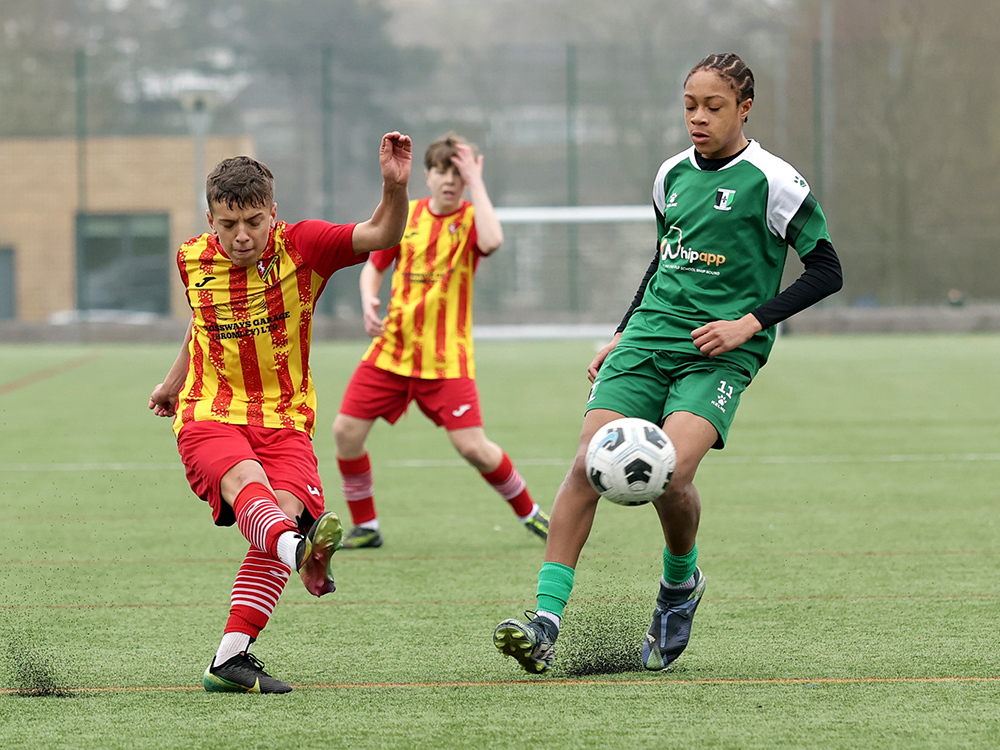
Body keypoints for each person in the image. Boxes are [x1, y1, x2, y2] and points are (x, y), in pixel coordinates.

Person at [492, 53, 843, 674]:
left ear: (744, 108)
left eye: (713, 107)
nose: (698, 119)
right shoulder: (670, 176)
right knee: (585, 464)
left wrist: (750, 323)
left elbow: (827, 270)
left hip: (719, 351)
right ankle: (545, 622)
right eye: (689, 106)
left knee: (671, 475)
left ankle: (680, 584)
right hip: (647, 338)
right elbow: (664, 261)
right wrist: (621, 332)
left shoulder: (774, 181)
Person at [148, 133, 412, 693]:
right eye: (227, 224)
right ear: (210, 219)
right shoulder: (190, 258)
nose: (241, 236)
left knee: (281, 512)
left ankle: (230, 657)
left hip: (286, 420)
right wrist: (174, 384)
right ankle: (302, 550)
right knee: (254, 490)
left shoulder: (305, 247)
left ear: (273, 211)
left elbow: (384, 233)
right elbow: (203, 322)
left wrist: (393, 186)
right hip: (210, 414)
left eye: (253, 222)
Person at [332, 133, 549, 549]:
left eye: (458, 174)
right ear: (427, 175)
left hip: (446, 360)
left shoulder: (470, 219)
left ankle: (532, 514)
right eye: (442, 171)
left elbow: (493, 241)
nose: (450, 180)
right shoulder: (407, 217)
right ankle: (367, 527)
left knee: (474, 448)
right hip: (391, 351)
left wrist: (478, 181)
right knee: (345, 432)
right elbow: (374, 265)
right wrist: (367, 299)